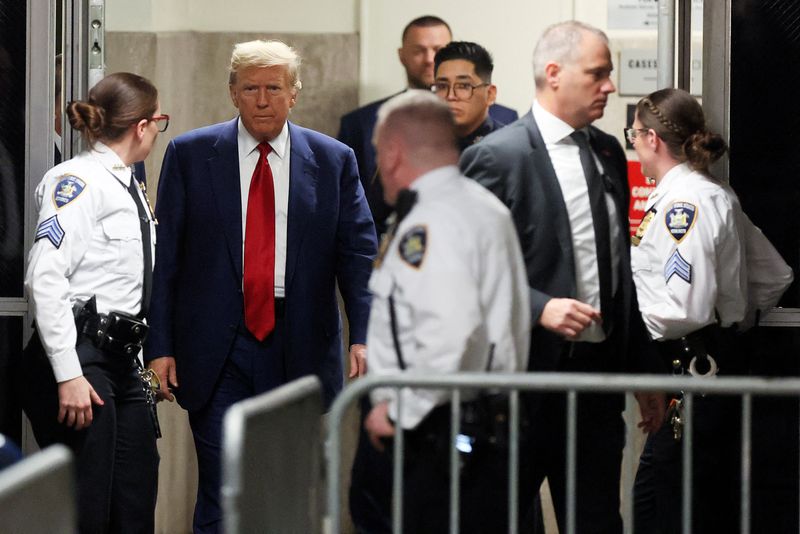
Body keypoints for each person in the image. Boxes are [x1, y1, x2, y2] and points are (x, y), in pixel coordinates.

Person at [145, 39, 377, 533]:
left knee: (287, 486)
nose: (263, 99)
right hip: (215, 346)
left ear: (294, 93)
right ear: (232, 93)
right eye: (250, 88)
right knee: (221, 486)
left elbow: (357, 255)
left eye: (274, 87)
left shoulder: (334, 160)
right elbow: (167, 261)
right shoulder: (191, 154)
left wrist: (363, 334)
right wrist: (160, 346)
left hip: (299, 343)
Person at [459, 21, 664, 533]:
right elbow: (461, 268)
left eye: (609, 74)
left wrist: (645, 373)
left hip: (594, 386)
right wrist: (538, 307)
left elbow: (620, 271)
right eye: (597, 74)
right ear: (554, 73)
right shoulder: (495, 157)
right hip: (518, 389)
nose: (610, 87)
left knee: (596, 521)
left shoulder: (608, 152)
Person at [627, 88, 793, 533]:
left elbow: (686, 306)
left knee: (665, 506)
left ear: (651, 139)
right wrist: (735, 315)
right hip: (707, 364)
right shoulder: (712, 193)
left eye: (634, 134)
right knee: (670, 498)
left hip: (689, 368)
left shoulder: (687, 205)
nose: (634, 144)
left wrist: (628, 326)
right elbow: (774, 275)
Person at [364, 89, 530, 533]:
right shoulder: (479, 207)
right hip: (477, 427)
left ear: (394, 152)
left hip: (444, 433)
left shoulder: (431, 221)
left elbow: (452, 333)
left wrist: (401, 411)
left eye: (379, 152)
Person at [22, 72, 163, 533]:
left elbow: (122, 287)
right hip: (81, 360)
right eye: (159, 121)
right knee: (87, 509)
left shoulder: (126, 182)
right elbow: (45, 278)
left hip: (119, 362)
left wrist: (138, 362)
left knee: (135, 499)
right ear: (142, 127)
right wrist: (69, 375)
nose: (158, 131)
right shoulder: (77, 181)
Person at [337, 15, 518, 236]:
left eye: (463, 86)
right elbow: (365, 213)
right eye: (442, 86)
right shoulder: (377, 125)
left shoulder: (507, 127)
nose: (429, 59)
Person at [433, 40, 507, 151]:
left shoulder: (512, 147)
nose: (450, 96)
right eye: (442, 86)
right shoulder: (419, 146)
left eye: (463, 86)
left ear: (490, 94)